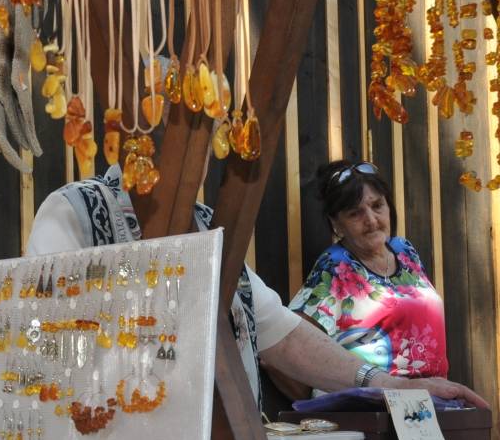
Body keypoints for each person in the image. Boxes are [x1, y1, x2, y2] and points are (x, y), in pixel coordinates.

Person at [25, 164, 487, 409]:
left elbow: (280, 333)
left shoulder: (205, 225)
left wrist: (388, 385)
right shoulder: (78, 210)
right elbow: (41, 335)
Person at [289, 161, 447, 380]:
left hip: (432, 395)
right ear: (336, 223)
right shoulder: (335, 267)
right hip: (374, 399)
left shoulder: (404, 251)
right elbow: (290, 346)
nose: (371, 220)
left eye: (377, 205)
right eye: (355, 213)